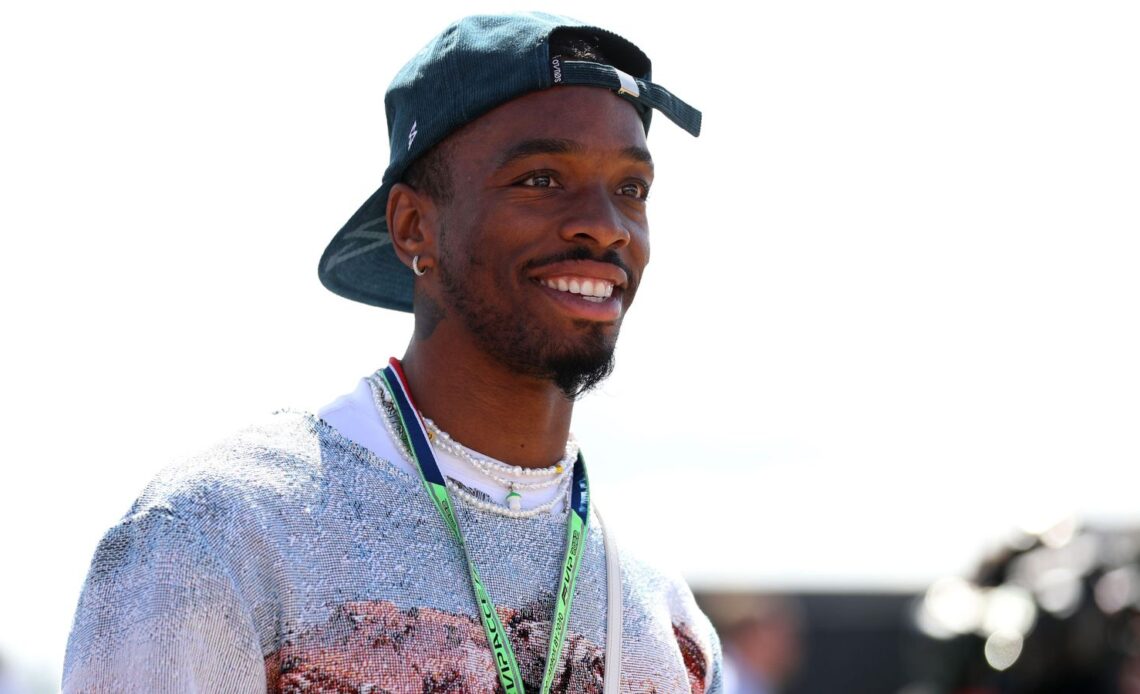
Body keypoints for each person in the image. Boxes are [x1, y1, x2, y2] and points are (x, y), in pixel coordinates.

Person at [63, 12, 720, 693]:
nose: (603, 225)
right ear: (413, 227)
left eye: (630, 190)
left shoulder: (664, 622)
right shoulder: (220, 536)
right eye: (541, 179)